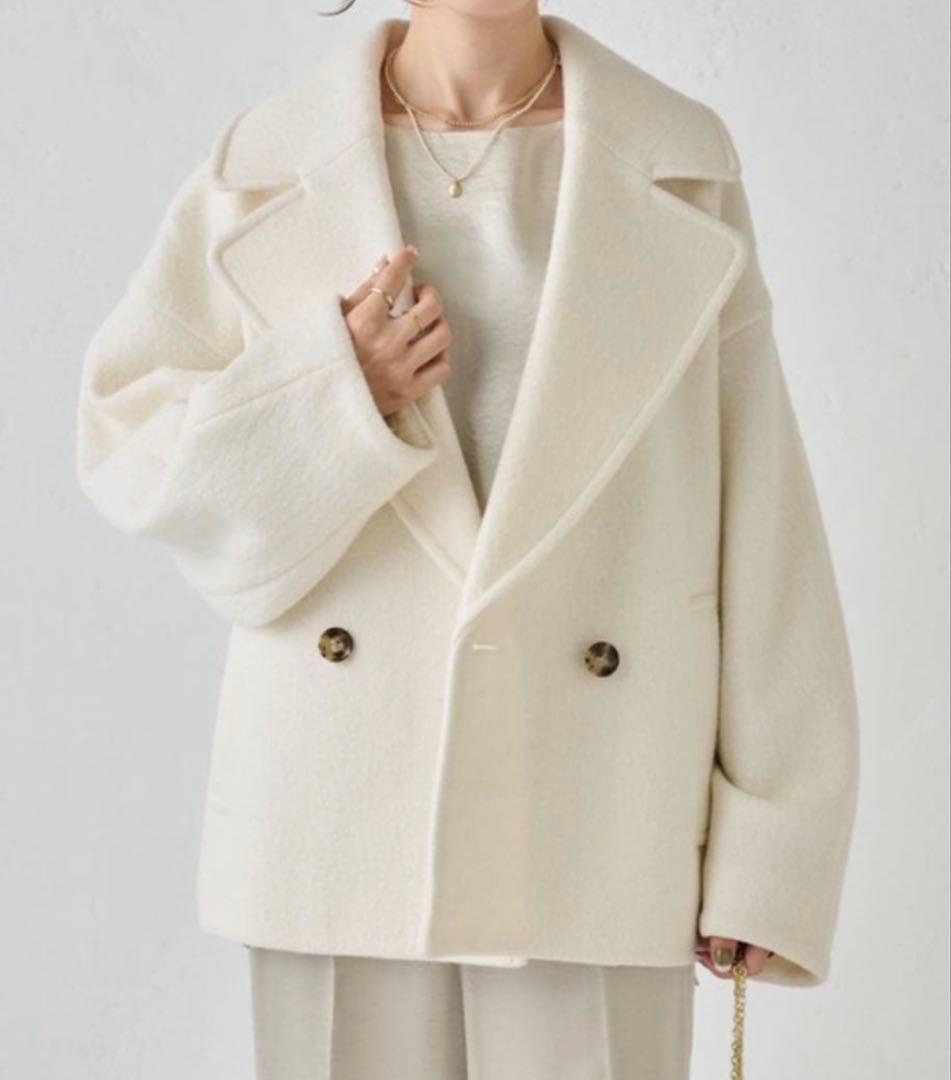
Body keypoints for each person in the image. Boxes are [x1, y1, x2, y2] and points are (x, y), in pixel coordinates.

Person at [75, 3, 861, 1077]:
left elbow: (759, 504)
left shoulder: (680, 163)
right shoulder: (262, 167)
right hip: (338, 814)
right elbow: (128, 448)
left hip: (604, 804)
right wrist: (333, 392)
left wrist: (772, 839)